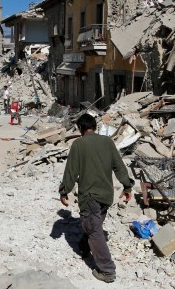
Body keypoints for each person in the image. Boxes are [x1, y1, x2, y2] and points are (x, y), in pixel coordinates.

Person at [58, 113, 134, 283]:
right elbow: (119, 166)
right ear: (94, 126)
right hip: (107, 196)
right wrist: (127, 186)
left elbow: (71, 172)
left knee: (93, 229)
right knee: (94, 224)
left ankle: (107, 271)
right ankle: (84, 247)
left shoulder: (78, 144)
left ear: (80, 129)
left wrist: (64, 191)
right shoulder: (107, 142)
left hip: (90, 196)